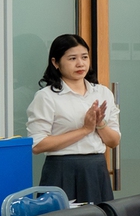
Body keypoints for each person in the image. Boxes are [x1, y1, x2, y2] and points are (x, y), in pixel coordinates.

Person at [26, 32, 119, 201]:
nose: (80, 63)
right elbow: (37, 145)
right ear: (55, 62)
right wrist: (84, 130)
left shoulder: (102, 92)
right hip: (61, 171)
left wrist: (100, 125)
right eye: (72, 58)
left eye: (84, 57)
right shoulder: (46, 96)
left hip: (96, 169)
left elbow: (114, 141)